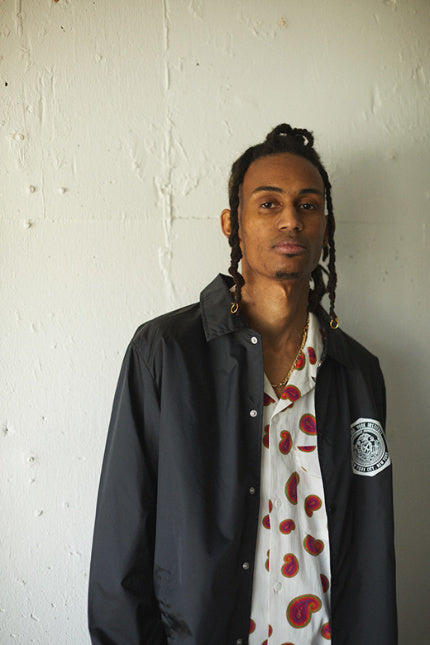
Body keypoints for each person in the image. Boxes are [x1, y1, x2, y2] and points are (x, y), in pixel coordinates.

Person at [88, 124, 397, 644]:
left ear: (326, 226)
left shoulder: (357, 372)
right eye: (269, 204)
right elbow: (122, 546)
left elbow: (372, 549)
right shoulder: (166, 353)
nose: (291, 220)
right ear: (232, 223)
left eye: (308, 205)